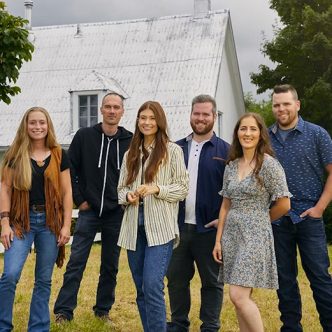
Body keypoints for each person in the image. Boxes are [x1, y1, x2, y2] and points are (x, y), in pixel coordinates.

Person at [54, 92, 132, 323]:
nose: (111, 111)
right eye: (107, 106)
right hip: (88, 211)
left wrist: (124, 200)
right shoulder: (85, 136)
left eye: (116, 107)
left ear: (122, 111)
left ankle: (102, 311)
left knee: (110, 265)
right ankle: (64, 311)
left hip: (116, 213)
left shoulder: (129, 140)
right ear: (101, 110)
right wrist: (80, 199)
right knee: (76, 262)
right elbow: (71, 169)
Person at [213, 112, 291, 332]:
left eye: (253, 129)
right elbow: (225, 205)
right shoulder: (231, 165)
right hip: (232, 234)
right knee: (240, 300)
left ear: (261, 134)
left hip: (255, 235)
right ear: (237, 133)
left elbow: (284, 204)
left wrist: (260, 222)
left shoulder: (269, 165)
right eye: (243, 129)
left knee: (237, 295)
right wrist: (218, 241)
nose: (247, 133)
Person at [117, 100, 189, 331]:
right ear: (137, 121)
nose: (147, 122)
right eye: (142, 118)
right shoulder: (130, 154)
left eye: (151, 118)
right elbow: (120, 190)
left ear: (159, 122)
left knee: (152, 285)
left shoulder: (173, 151)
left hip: (160, 230)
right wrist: (129, 197)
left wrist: (157, 189)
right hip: (133, 229)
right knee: (140, 289)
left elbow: (183, 188)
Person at [0, 107, 72, 332]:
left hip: (50, 223)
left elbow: (67, 192)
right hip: (21, 222)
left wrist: (66, 225)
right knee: (10, 275)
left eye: (42, 122)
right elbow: (5, 189)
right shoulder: (15, 154)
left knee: (44, 279)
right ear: (26, 125)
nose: (38, 127)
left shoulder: (59, 154)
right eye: (33, 123)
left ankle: (39, 328)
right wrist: (4, 224)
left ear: (48, 125)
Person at [269, 84, 332, 331]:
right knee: (284, 281)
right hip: (278, 220)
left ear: (297, 105)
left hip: (309, 218)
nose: (281, 108)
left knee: (320, 278)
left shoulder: (317, 134)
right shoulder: (265, 137)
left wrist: (320, 208)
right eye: (276, 104)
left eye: (286, 103)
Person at [166, 94, 229, 332]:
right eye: (197, 113)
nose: (200, 118)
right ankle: (179, 325)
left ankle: (210, 327)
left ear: (214, 116)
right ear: (190, 114)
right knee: (176, 280)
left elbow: (231, 192)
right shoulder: (175, 148)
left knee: (212, 282)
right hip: (178, 228)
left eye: (206, 114)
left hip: (210, 230)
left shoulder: (226, 151)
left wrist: (223, 222)